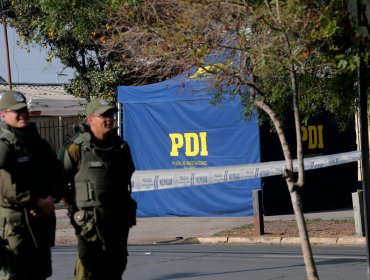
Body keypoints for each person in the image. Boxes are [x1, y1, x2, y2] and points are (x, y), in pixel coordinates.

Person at [58, 98, 136, 280]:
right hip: (89, 223)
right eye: (103, 115)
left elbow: (127, 174)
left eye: (111, 115)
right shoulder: (75, 147)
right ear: (91, 119)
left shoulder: (120, 147)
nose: (109, 119)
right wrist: (74, 208)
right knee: (88, 269)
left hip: (117, 220)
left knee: (116, 267)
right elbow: (58, 180)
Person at [0, 90, 66, 279]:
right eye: (16, 111)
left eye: (24, 110)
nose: (22, 115)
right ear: (3, 115)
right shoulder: (4, 144)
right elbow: (6, 187)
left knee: (39, 274)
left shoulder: (38, 143)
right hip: (15, 228)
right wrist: (36, 202)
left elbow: (58, 173)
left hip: (39, 225)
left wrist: (51, 198)